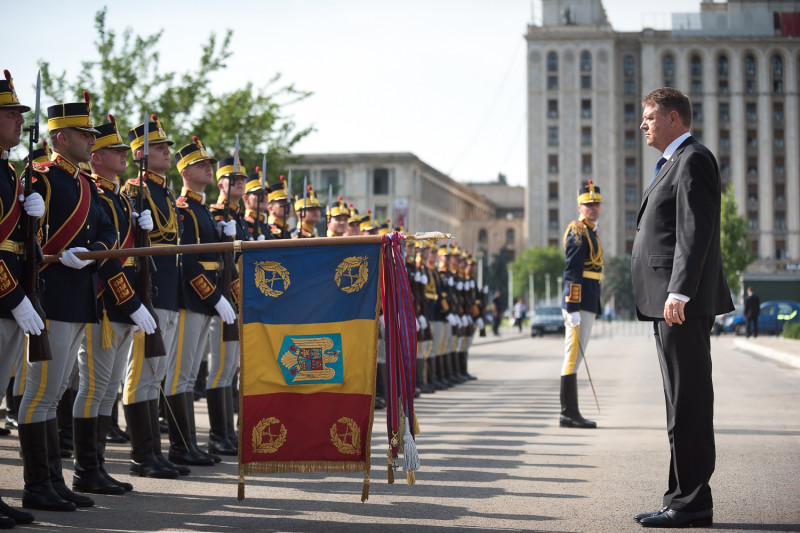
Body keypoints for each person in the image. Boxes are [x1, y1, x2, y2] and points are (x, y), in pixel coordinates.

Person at [632, 87, 733, 528]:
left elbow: (696, 228)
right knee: (679, 403)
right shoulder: (672, 162)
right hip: (667, 303)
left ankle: (692, 503)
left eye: (650, 116)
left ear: (674, 118)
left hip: (679, 305)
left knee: (689, 402)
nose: (644, 124)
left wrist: (681, 291)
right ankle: (679, 497)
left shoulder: (693, 158)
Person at [19, 92, 117, 512]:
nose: (91, 140)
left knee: (56, 390)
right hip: (52, 295)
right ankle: (37, 484)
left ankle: (54, 481)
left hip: (80, 297)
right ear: (60, 139)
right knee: (40, 393)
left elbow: (109, 231)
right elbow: (22, 238)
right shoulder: (41, 178)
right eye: (83, 133)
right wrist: (37, 223)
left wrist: (91, 249)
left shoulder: (85, 183)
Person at [77, 115, 157, 495]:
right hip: (106, 302)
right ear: (96, 158)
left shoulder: (117, 197)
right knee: (94, 388)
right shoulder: (94, 193)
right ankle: (85, 470)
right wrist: (130, 302)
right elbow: (106, 259)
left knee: (108, 389)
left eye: (125, 150)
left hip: (124, 300)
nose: (124, 155)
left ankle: (98, 467)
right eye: (115, 150)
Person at [122, 114, 187, 479]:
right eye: (160, 147)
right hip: (150, 292)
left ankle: (154, 455)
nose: (167, 151)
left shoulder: (162, 191)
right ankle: (140, 455)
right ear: (141, 155)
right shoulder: (136, 190)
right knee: (141, 374)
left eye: (166, 146)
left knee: (156, 375)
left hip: (169, 292)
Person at [168, 138, 237, 465]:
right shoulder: (183, 208)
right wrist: (214, 297)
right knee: (181, 374)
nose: (208, 168)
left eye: (209, 164)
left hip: (206, 299)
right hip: (193, 297)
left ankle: (190, 445)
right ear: (185, 172)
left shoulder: (202, 210)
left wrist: (224, 235)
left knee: (190, 370)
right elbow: (189, 262)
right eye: (201, 165)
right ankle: (181, 446)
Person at [0, 68, 40, 526]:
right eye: (10, 113)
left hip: (10, 300)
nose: (17, 120)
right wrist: (14, 296)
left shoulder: (10, 174)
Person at [559, 182, 603, 429]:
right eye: (588, 204)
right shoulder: (577, 231)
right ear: (579, 206)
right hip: (579, 301)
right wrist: (572, 306)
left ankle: (571, 411)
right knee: (572, 356)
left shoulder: (591, 231)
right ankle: (568, 412)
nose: (593, 208)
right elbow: (572, 272)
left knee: (575, 356)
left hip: (588, 299)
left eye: (596, 204)